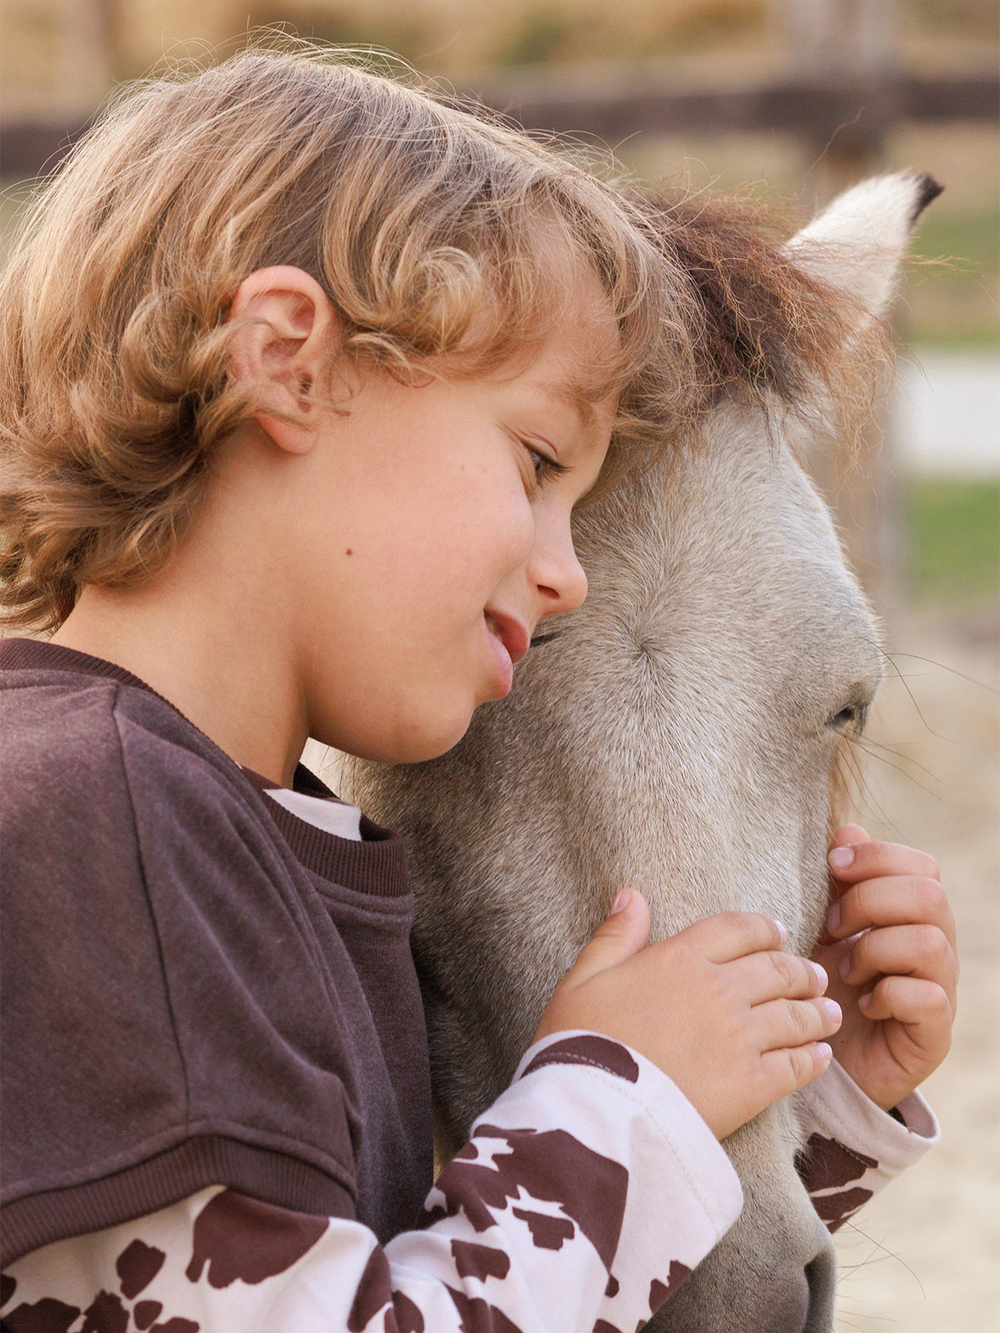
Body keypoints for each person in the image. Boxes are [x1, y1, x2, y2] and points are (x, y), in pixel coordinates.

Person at [0, 46, 956, 1333]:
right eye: (539, 459)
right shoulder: (94, 833)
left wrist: (794, 1102)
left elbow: (398, 1277)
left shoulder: (219, 822)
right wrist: (631, 1104)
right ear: (289, 358)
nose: (564, 573)